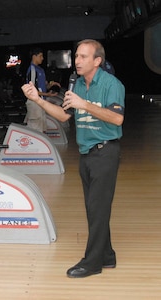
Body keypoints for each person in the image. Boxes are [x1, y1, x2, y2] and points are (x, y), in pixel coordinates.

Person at [21, 39, 125, 278]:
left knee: (97, 209)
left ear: (97, 61)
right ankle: (107, 255)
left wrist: (85, 105)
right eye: (76, 56)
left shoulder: (112, 85)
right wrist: (38, 99)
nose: (77, 61)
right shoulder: (77, 84)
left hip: (105, 152)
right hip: (87, 153)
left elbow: (117, 119)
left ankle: (93, 262)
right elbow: (64, 115)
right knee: (94, 208)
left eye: (83, 57)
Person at [24, 47, 60, 132]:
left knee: (42, 129)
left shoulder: (40, 70)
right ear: (34, 56)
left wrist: (51, 84)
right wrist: (48, 95)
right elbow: (31, 90)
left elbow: (43, 87)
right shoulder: (32, 70)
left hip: (41, 102)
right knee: (36, 129)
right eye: (40, 56)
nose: (42, 58)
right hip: (34, 103)